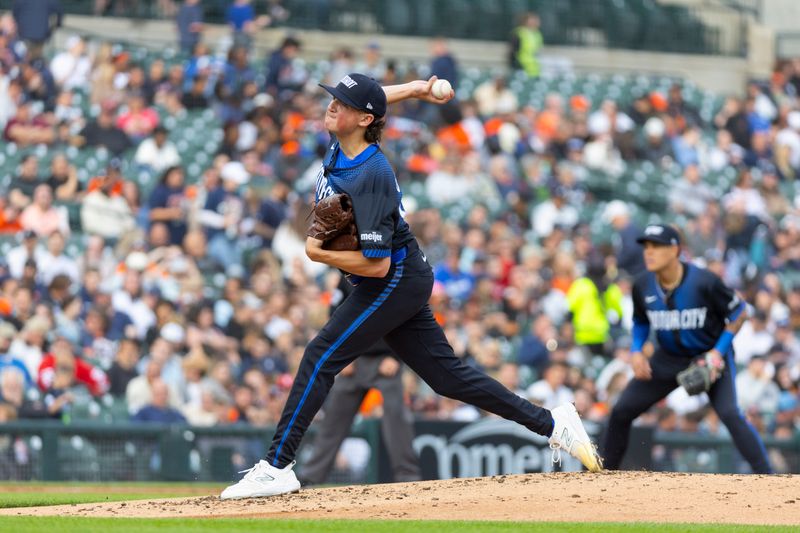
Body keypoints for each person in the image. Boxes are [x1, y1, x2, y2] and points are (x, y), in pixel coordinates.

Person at [220, 73, 601, 500]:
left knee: (320, 355)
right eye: (333, 100)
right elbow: (376, 99)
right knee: (447, 378)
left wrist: (319, 253)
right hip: (400, 275)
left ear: (364, 120)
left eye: (341, 104)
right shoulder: (346, 141)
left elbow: (377, 267)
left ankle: (277, 466)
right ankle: (554, 423)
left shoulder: (372, 173)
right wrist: (417, 88)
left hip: (394, 277)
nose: (331, 107)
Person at [602, 224, 772, 474]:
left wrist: (717, 352)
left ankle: (768, 479)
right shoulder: (642, 285)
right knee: (621, 411)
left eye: (656, 246)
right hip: (668, 358)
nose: (649, 252)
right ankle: (606, 475)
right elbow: (640, 320)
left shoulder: (704, 281)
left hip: (710, 355)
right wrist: (636, 350)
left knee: (730, 414)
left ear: (675, 249)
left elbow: (739, 312)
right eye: (646, 246)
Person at [299, 276, 420, 486]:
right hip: (353, 358)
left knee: (396, 418)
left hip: (386, 359)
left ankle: (407, 478)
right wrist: (341, 355)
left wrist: (396, 356)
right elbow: (334, 315)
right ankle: (310, 478)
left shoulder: (397, 272)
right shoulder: (348, 274)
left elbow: (409, 314)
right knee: (333, 421)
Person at [508, 12, 543, 78]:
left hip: (534, 68)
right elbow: (513, 52)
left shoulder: (537, 34)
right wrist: (515, 65)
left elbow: (538, 51)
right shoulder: (518, 33)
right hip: (521, 66)